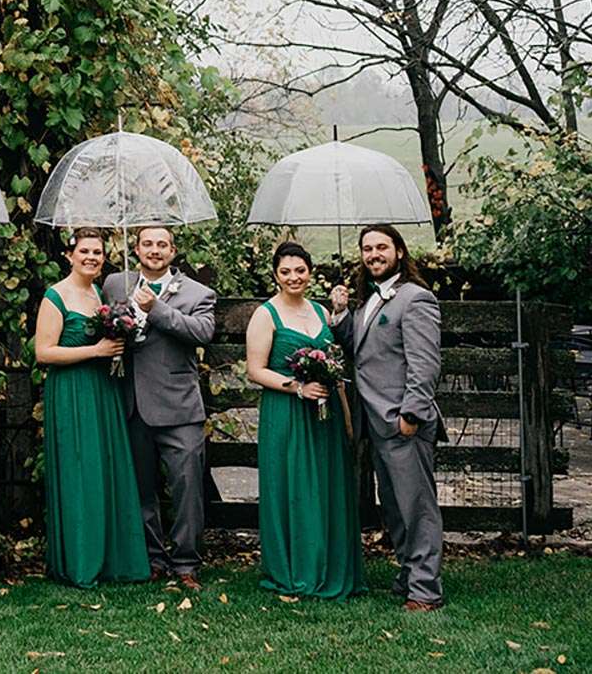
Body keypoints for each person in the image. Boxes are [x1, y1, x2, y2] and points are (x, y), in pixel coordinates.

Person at [331, 223, 445, 611]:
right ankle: (409, 575)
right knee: (395, 508)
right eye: (367, 249)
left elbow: (425, 364)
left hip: (402, 422)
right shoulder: (370, 300)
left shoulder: (415, 298)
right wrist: (342, 314)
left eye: (381, 247)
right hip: (376, 422)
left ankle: (425, 590)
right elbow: (361, 351)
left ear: (399, 251)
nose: (373, 255)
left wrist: (411, 413)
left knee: (417, 507)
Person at [246, 241, 365, 599]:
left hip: (325, 417)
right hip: (287, 414)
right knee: (293, 487)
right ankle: (295, 567)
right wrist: (297, 387)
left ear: (310, 273)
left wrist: (347, 420)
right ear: (275, 275)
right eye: (285, 271)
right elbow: (255, 370)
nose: (293, 277)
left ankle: (330, 564)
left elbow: (336, 368)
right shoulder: (265, 315)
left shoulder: (321, 311)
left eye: (300, 270)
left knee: (326, 487)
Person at [102, 225, 217, 588]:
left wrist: (157, 309)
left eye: (162, 244)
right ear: (136, 249)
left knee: (187, 488)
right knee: (140, 488)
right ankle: (152, 558)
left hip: (179, 406)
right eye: (147, 244)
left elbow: (202, 333)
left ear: (173, 251)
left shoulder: (198, 293)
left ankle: (186, 563)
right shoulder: (116, 284)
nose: (155, 250)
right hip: (131, 403)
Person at [34, 229, 149, 588]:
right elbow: (44, 352)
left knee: (105, 467)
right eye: (84, 251)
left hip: (103, 390)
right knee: (80, 469)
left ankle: (112, 557)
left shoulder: (100, 294)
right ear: (69, 256)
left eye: (97, 252)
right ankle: (81, 560)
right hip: (72, 392)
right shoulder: (55, 296)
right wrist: (95, 351)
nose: (91, 257)